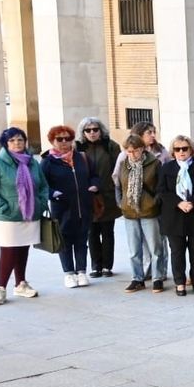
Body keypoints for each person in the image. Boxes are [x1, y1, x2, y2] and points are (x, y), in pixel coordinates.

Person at [0, 127, 50, 305]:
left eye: (20, 139)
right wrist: (5, 207)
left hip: (30, 214)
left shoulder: (32, 162)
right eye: (12, 140)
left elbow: (43, 185)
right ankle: (0, 288)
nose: (17, 143)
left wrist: (41, 202)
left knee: (22, 248)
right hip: (7, 217)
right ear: (5, 144)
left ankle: (21, 283)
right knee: (8, 250)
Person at [42, 125, 99, 289]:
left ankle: (81, 271)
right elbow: (41, 185)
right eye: (59, 139)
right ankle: (68, 273)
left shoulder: (82, 157)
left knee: (82, 241)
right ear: (52, 141)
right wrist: (53, 194)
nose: (64, 142)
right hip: (62, 209)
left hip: (83, 207)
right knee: (65, 242)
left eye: (67, 138)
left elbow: (94, 175)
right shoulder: (48, 162)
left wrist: (94, 185)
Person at [158, 135, 194, 295]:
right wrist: (179, 202)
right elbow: (162, 191)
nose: (181, 152)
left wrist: (192, 202)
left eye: (184, 148)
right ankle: (180, 282)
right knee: (177, 250)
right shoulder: (166, 168)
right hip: (174, 214)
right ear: (173, 151)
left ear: (191, 149)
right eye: (177, 149)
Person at [117, 134, 166, 293]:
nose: (132, 154)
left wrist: (154, 202)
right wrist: (121, 203)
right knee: (134, 250)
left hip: (149, 211)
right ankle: (137, 278)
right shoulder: (124, 164)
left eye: (135, 151)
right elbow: (118, 185)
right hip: (130, 212)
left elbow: (161, 186)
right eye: (129, 151)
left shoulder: (154, 163)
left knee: (155, 248)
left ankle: (158, 278)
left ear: (143, 149)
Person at [76, 117, 121, 278]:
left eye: (95, 129)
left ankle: (108, 265)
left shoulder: (111, 146)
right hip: (87, 196)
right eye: (88, 130)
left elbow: (119, 169)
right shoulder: (77, 148)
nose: (92, 133)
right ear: (83, 133)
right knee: (92, 232)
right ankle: (96, 266)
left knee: (108, 232)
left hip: (107, 195)